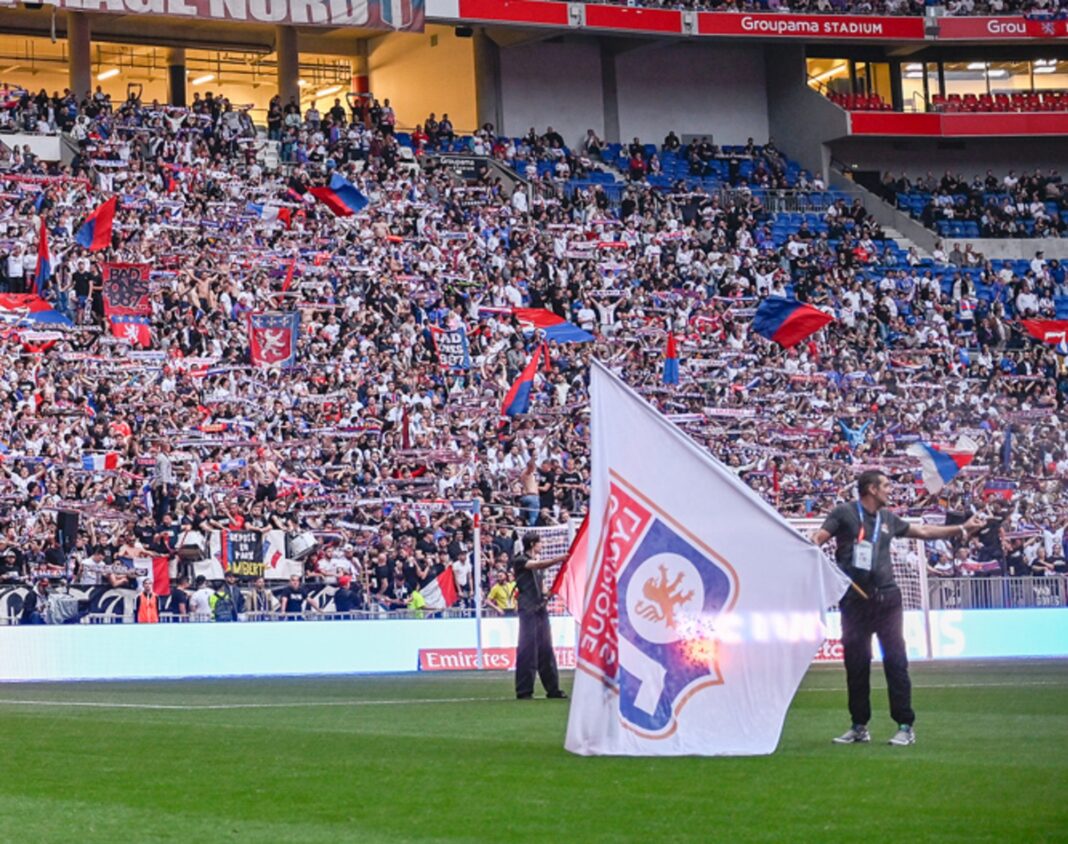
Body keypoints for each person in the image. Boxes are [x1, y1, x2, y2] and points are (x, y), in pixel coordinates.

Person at [813, 470, 985, 746]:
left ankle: (905, 725)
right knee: (856, 665)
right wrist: (813, 543)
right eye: (885, 485)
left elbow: (925, 531)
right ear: (871, 489)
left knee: (896, 662)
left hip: (888, 599)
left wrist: (961, 529)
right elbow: (818, 538)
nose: (889, 490)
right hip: (854, 601)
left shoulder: (889, 519)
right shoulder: (843, 513)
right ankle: (859, 726)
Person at [511, 536, 567, 700]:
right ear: (532, 544)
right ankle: (524, 690)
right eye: (540, 542)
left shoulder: (537, 564)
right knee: (527, 649)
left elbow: (542, 586)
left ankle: (553, 689)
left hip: (540, 608)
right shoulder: (520, 560)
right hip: (528, 609)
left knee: (546, 649)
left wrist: (548, 594)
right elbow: (538, 565)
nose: (543, 545)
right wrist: (559, 559)